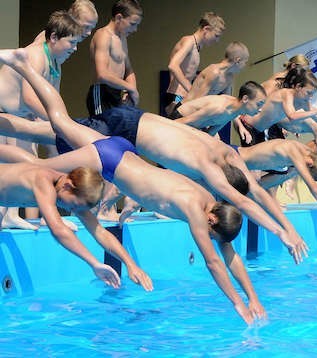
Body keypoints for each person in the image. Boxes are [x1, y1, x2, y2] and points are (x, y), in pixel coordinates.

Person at [0, 48, 264, 324]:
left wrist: (253, 296)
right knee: (38, 167)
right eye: (212, 236)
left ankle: (24, 67)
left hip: (121, 150)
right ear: (211, 220)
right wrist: (238, 303)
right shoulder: (195, 210)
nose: (210, 240)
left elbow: (229, 254)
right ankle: (24, 70)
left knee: (58, 120)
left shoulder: (207, 199)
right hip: (109, 161)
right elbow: (212, 262)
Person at [0, 11, 85, 229]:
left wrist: (59, 123)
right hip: (4, 115)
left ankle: (13, 216)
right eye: (72, 42)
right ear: (54, 37)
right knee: (14, 167)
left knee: (28, 163)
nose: (75, 49)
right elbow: (30, 97)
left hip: (16, 117)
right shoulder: (36, 55)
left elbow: (52, 100)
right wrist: (60, 122)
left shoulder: (56, 62)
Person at [236, 139, 317, 237]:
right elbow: (315, 189)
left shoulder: (307, 153)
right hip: (234, 161)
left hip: (241, 165)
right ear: (310, 165)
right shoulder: (294, 152)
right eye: (308, 174)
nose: (305, 176)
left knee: (289, 172)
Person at [236, 67, 317, 146]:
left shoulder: (295, 96)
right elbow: (288, 115)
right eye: (309, 92)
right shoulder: (275, 86)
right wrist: (241, 126)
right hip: (248, 123)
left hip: (263, 127)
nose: (310, 97)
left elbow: (276, 114)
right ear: (298, 85)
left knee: (283, 169)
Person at [87, 0, 142, 116]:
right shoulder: (103, 35)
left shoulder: (122, 38)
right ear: (119, 18)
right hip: (102, 93)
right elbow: (102, 74)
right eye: (132, 24)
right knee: (104, 132)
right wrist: (130, 88)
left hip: (118, 92)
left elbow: (128, 69)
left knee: (121, 131)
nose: (135, 29)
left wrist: (131, 90)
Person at [163, 12, 225, 115]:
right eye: (216, 35)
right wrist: (191, 90)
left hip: (183, 95)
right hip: (176, 96)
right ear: (206, 29)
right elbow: (173, 66)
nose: (217, 40)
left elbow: (187, 72)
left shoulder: (197, 46)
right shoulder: (189, 41)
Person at [168, 81, 266, 138]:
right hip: (179, 120)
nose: (260, 109)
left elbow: (210, 133)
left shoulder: (234, 111)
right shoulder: (219, 108)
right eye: (258, 104)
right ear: (245, 99)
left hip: (193, 127)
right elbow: (182, 121)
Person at [181, 42, 249, 103]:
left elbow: (226, 102)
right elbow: (197, 102)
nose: (245, 66)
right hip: (183, 109)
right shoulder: (214, 72)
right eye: (245, 62)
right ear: (238, 60)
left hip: (197, 108)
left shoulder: (229, 77)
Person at [32, 0, 99, 44]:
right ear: (72, 18)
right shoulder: (46, 39)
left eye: (91, 28)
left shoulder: (64, 40)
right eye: (86, 27)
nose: (89, 33)